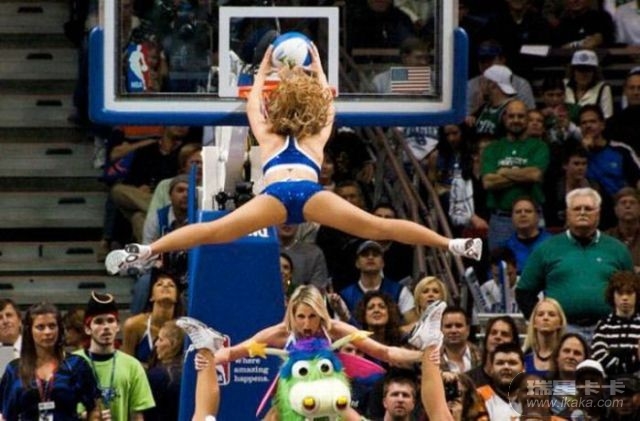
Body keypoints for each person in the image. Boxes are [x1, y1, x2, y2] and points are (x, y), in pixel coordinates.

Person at [106, 43, 482, 275]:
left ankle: (147, 249)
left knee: (212, 231)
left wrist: (264, 69)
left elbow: (254, 103)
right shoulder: (315, 137)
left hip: (276, 196)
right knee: (376, 227)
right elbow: (327, 102)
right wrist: (317, 68)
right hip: (309, 195)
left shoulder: (269, 135)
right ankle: (450, 244)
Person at [516, 187, 634, 340]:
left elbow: (632, 291)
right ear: (568, 213)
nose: (582, 213)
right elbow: (524, 292)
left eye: (588, 209)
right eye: (577, 208)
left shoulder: (618, 249)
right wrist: (541, 322)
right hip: (561, 332)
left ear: (598, 213)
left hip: (608, 330)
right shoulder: (547, 249)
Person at [0, 302, 101, 420]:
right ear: (29, 330)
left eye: (52, 326)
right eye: (40, 327)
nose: (47, 332)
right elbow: (6, 415)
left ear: (59, 329)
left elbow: (94, 408)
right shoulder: (14, 369)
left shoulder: (76, 365)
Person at [481, 99, 550, 251]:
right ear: (505, 118)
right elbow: (488, 182)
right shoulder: (492, 148)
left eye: (520, 116)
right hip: (501, 220)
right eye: (512, 116)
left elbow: (534, 175)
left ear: (527, 119)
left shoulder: (539, 146)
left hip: (533, 217)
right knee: (500, 263)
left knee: (539, 262)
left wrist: (504, 172)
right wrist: (522, 174)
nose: (516, 120)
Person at [75, 291, 155, 420]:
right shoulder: (71, 364)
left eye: (110, 320)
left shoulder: (132, 365)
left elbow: (137, 416)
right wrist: (86, 416)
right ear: (87, 328)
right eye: (99, 321)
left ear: (118, 326)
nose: (106, 327)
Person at [339, 240, 417, 323]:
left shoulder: (399, 291)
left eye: (375, 254)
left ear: (382, 263)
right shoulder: (344, 296)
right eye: (365, 254)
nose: (370, 257)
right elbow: (337, 328)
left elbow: (414, 324)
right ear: (357, 263)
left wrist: (393, 330)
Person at [122, 268, 184, 365]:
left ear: (176, 297)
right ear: (151, 297)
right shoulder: (134, 325)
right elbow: (127, 364)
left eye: (171, 285)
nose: (165, 286)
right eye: (159, 284)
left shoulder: (183, 328)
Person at [591, 270, 640, 377]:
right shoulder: (604, 325)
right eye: (620, 293)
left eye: (629, 293)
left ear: (637, 295)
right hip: (611, 381)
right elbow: (599, 357)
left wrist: (616, 353)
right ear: (612, 296)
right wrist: (632, 356)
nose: (625, 298)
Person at [145, 320, 184, 421]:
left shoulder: (157, 376)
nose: (156, 344)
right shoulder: (191, 372)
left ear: (174, 344)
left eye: (161, 340)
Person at [466, 315, 520, 388]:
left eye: (504, 334)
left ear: (513, 342)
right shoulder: (468, 380)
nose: (497, 337)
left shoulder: (523, 381)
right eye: (493, 333)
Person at [475, 342, 524, 420]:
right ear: (491, 369)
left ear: (523, 368)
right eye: (500, 363)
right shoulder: (478, 396)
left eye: (512, 363)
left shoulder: (534, 397)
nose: (506, 367)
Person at [505, 196, 552, 274]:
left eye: (528, 211)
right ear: (512, 217)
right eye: (518, 212)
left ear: (537, 216)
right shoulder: (505, 249)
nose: (523, 214)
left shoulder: (553, 244)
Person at [522, 297, 567, 376]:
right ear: (534, 323)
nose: (545, 318)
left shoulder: (567, 357)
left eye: (551, 315)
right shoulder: (523, 359)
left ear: (560, 322)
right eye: (540, 314)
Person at [564, 50, 614, 119]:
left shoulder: (603, 88)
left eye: (588, 70)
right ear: (573, 71)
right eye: (580, 70)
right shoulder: (564, 85)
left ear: (595, 72)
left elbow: (607, 117)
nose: (583, 74)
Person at [606, 187, 640, 271]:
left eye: (632, 203)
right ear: (615, 210)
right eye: (623, 203)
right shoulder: (606, 238)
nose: (628, 206)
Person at [440, 306, 481, 373]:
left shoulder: (483, 357)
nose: (453, 330)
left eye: (458, 326)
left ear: (467, 329)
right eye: (448, 326)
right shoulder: (431, 361)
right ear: (441, 330)